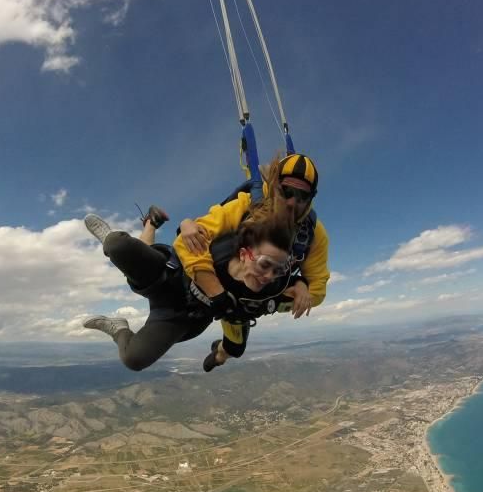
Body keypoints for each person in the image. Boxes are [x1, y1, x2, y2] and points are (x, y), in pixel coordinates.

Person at [82, 197, 298, 372]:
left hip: (182, 316)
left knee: (134, 359)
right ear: (244, 254)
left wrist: (305, 288)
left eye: (278, 270)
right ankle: (150, 222)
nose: (269, 276)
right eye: (264, 264)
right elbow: (197, 229)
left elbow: (298, 288)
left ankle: (118, 328)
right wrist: (187, 224)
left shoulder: (269, 290)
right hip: (170, 277)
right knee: (119, 246)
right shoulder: (222, 249)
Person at [178, 153, 330, 322]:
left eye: (302, 196)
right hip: (222, 283)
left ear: (311, 198)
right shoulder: (246, 205)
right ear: (274, 186)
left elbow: (317, 289)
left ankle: (221, 347)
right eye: (287, 191)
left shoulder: (313, 233)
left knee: (233, 349)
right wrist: (217, 293)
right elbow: (186, 242)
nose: (292, 202)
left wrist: (275, 299)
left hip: (253, 299)